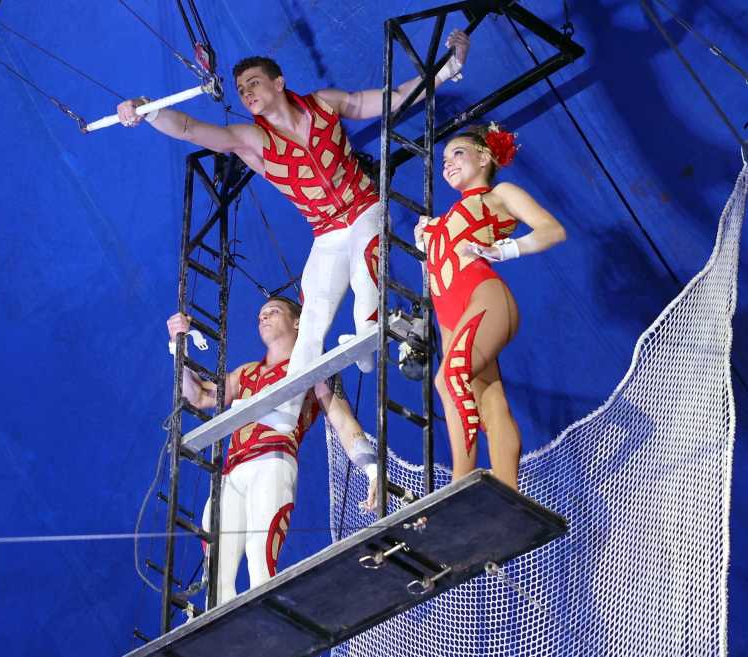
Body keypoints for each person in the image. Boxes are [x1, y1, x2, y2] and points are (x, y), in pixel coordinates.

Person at [123, 30, 471, 433]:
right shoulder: (252, 139)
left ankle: (368, 334)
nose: (246, 92)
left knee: (364, 275)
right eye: (240, 89)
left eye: (254, 82)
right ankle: (286, 408)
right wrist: (147, 110)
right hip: (326, 231)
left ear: (279, 82)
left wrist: (449, 68)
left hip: (364, 209)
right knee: (312, 318)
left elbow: (394, 98)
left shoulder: (326, 103)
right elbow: (188, 128)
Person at [167, 296, 377, 603]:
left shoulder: (315, 366)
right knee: (216, 575)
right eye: (260, 314)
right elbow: (198, 396)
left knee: (259, 559)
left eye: (273, 312)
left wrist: (371, 469)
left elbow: (343, 421)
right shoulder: (247, 373)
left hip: (273, 461)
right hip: (231, 473)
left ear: (297, 321)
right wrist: (178, 347)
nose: (263, 318)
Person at [413, 123, 566, 489]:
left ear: (484, 157)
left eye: (458, 154)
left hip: (485, 298)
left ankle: (457, 487)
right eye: (444, 159)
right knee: (490, 402)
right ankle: (508, 490)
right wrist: (425, 245)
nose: (447, 163)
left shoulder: (500, 194)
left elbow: (552, 230)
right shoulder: (441, 221)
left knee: (449, 380)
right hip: (451, 315)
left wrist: (502, 250)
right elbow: (436, 278)